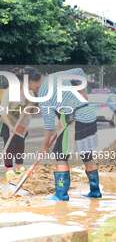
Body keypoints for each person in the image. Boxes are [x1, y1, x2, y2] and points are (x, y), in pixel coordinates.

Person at [34, 68, 101, 201]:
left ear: (32, 83)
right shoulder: (56, 76)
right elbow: (81, 71)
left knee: (61, 156)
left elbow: (49, 126)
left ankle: (61, 194)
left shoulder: (43, 94)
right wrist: (82, 92)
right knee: (87, 155)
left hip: (74, 119)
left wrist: (44, 147)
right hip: (88, 113)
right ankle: (95, 191)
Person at [0, 67, 41, 181]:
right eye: (37, 82)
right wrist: (11, 126)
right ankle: (9, 170)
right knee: (9, 144)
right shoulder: (11, 91)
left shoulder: (31, 93)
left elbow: (31, 111)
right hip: (6, 121)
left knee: (20, 144)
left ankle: (18, 168)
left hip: (21, 122)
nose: (39, 85)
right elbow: (3, 112)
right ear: (30, 81)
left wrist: (31, 104)